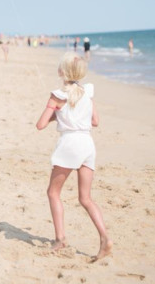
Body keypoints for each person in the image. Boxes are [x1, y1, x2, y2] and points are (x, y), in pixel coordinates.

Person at [36, 52, 112, 263]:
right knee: (86, 198)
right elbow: (95, 121)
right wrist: (63, 114)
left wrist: (54, 113)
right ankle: (105, 238)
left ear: (62, 71)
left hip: (70, 144)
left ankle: (60, 239)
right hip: (87, 144)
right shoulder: (87, 91)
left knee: (53, 192)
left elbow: (40, 125)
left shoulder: (57, 96)